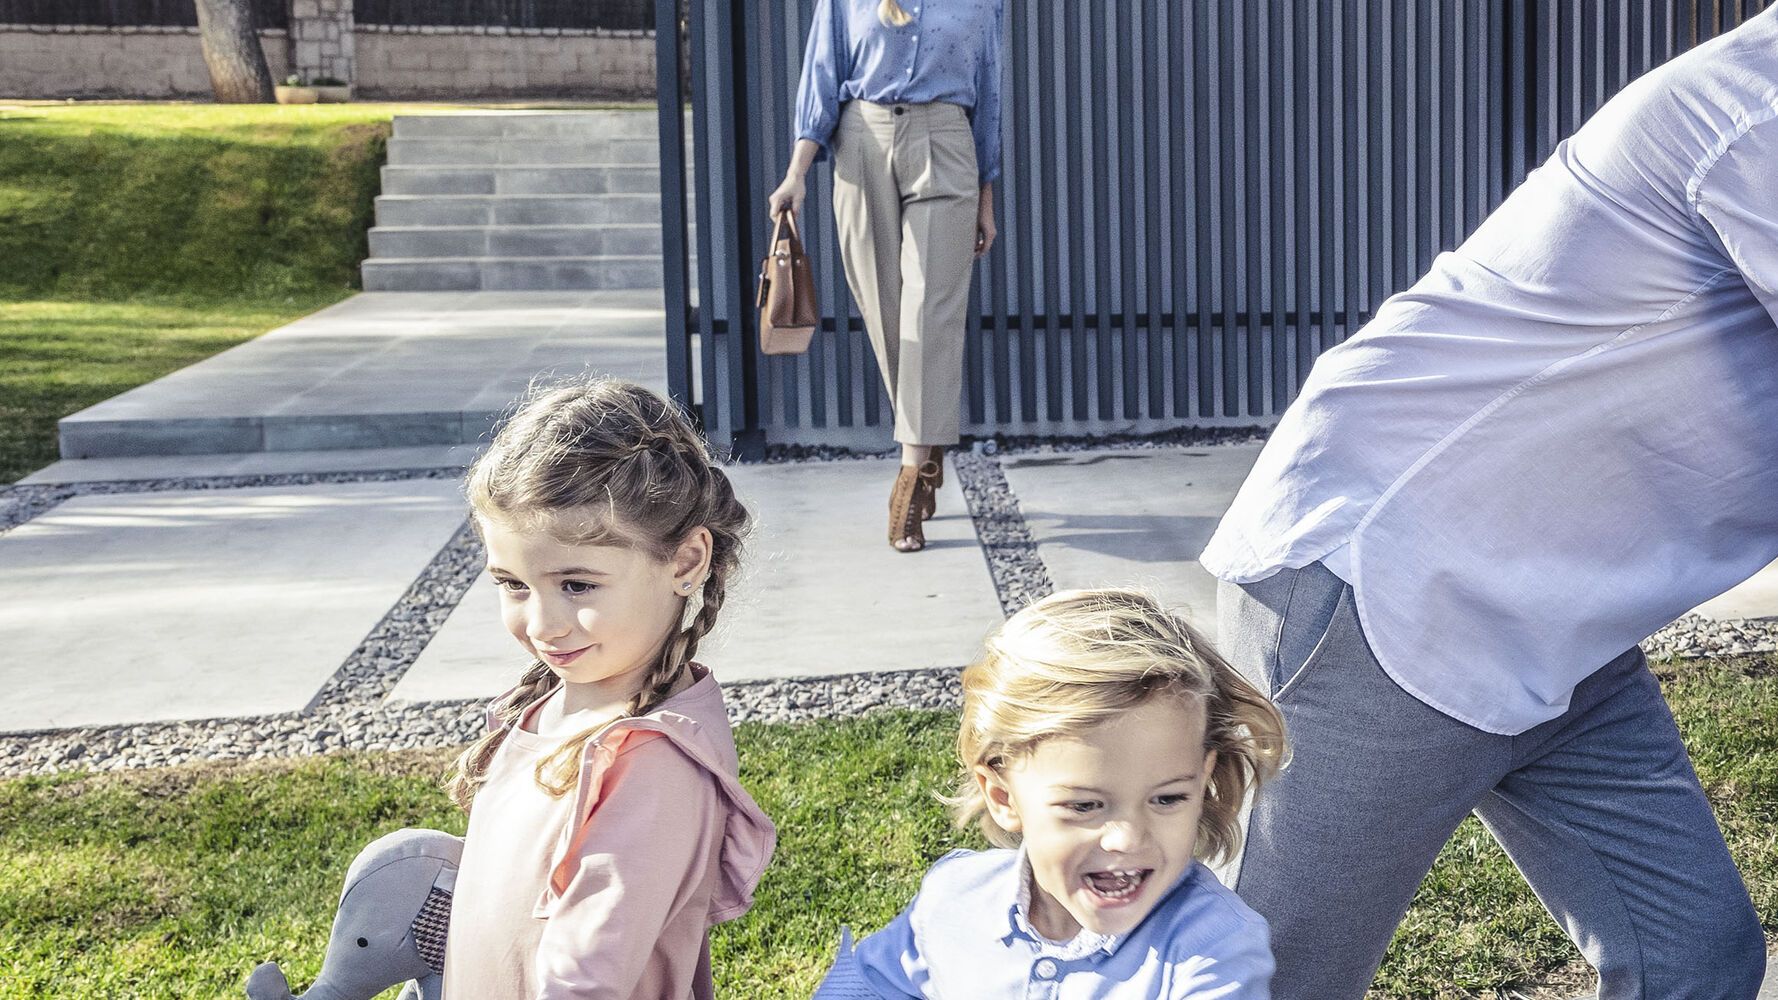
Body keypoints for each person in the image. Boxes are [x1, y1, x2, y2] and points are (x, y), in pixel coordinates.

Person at [1199, 10, 1778, 999]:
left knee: (1695, 956)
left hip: (1561, 628)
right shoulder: (1755, 108)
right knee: (1265, 981)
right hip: (1389, 584)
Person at [439, 376, 776, 1000]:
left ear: (684, 562)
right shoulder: (559, 707)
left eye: (577, 585)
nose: (540, 624)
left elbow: (585, 983)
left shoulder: (651, 766)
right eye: (513, 584)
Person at [811, 588, 1287, 998]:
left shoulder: (1215, 948)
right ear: (1002, 797)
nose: (1126, 838)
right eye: (1084, 805)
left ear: (1202, 780)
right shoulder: (956, 896)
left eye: (1167, 799)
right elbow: (873, 981)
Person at [771, 0, 1004, 553]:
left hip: (947, 143)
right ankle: (928, 445)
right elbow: (822, 74)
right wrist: (796, 174)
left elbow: (990, 93)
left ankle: (909, 474)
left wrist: (987, 194)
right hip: (861, 142)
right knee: (885, 310)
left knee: (932, 313)